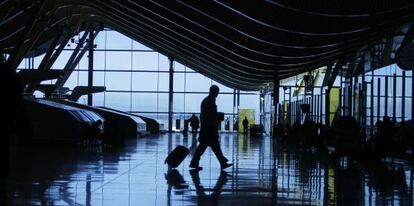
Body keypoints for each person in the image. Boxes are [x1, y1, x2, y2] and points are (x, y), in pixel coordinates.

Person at [189, 85, 232, 170]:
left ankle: (195, 162)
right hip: (209, 129)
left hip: (207, 129)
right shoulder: (209, 101)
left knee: (206, 147)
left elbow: (206, 115)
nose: (217, 94)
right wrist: (217, 119)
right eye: (216, 92)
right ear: (213, 91)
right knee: (211, 147)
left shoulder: (208, 101)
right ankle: (222, 162)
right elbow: (207, 116)